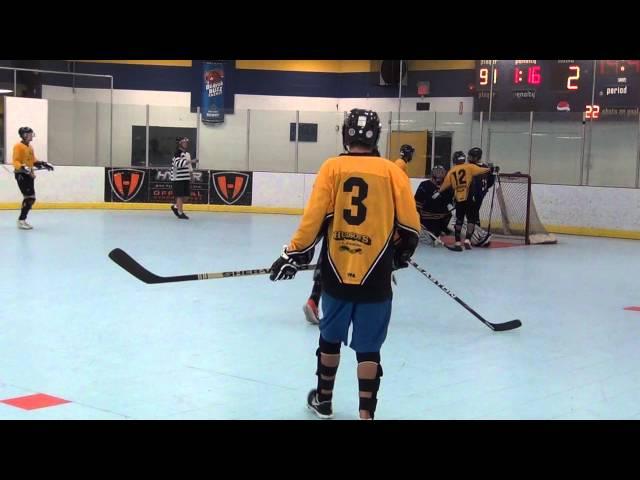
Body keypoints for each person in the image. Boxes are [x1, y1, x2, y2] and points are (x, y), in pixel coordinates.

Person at [269, 108, 420, 420]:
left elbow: (314, 219)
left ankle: (324, 402)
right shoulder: (392, 172)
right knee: (369, 348)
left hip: (336, 272)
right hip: (376, 275)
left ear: (345, 135)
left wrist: (293, 254)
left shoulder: (332, 167)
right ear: (376, 136)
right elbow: (410, 227)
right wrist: (399, 256)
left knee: (330, 337)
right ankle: (366, 414)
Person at [433, 151, 491, 252]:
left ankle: (457, 242)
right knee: (471, 220)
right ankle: (468, 239)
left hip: (459, 198)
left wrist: (438, 192)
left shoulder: (452, 171)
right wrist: (491, 169)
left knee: (459, 220)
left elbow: (446, 184)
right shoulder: (470, 167)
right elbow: (483, 171)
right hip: (470, 197)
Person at [12, 127, 54, 230]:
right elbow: (15, 161)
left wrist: (43, 164)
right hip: (21, 175)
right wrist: (22, 167)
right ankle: (21, 220)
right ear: (24, 135)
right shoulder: (18, 146)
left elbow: (33, 160)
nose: (32, 136)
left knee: (30, 198)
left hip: (29, 175)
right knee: (30, 198)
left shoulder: (30, 147)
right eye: (30, 134)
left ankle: (22, 220)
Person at [467, 147, 497, 247]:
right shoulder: (485, 167)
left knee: (471, 217)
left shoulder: (472, 167)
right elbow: (490, 182)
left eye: (471, 156)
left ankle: (479, 237)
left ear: (477, 157)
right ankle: (477, 236)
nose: (469, 158)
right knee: (474, 216)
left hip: (472, 196)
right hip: (479, 195)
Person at [414, 165, 453, 243]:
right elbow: (417, 203)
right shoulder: (424, 185)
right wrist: (417, 219)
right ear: (432, 176)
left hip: (442, 218)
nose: (438, 180)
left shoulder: (448, 186)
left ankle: (442, 229)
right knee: (429, 240)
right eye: (436, 178)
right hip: (427, 218)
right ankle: (433, 231)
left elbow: (450, 203)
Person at [170, 136, 193, 220]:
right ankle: (180, 213)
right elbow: (178, 164)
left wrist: (191, 174)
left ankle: (176, 206)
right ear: (179, 144)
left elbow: (189, 166)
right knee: (179, 196)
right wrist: (190, 161)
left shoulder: (187, 154)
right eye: (184, 142)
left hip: (185, 177)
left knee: (186, 196)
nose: (186, 143)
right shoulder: (177, 153)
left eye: (186, 142)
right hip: (178, 178)